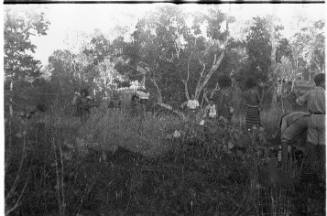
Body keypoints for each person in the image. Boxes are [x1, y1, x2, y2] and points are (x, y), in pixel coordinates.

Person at [294, 73, 325, 215]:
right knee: (323, 144)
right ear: (322, 82)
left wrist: (297, 94)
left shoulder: (310, 92)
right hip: (324, 119)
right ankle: (322, 171)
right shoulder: (325, 93)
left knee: (311, 143)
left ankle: (311, 170)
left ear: (315, 82)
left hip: (312, 117)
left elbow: (299, 101)